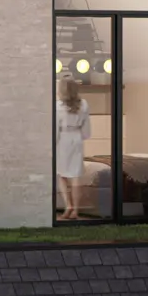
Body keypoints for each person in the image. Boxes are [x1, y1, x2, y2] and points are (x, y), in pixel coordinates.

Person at [56, 77, 92, 220]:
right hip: (76, 137)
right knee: (75, 175)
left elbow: (56, 127)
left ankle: (68, 205)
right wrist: (83, 136)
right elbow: (86, 127)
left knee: (61, 174)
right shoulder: (83, 104)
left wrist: (54, 143)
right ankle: (76, 209)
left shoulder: (57, 105)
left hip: (63, 139)